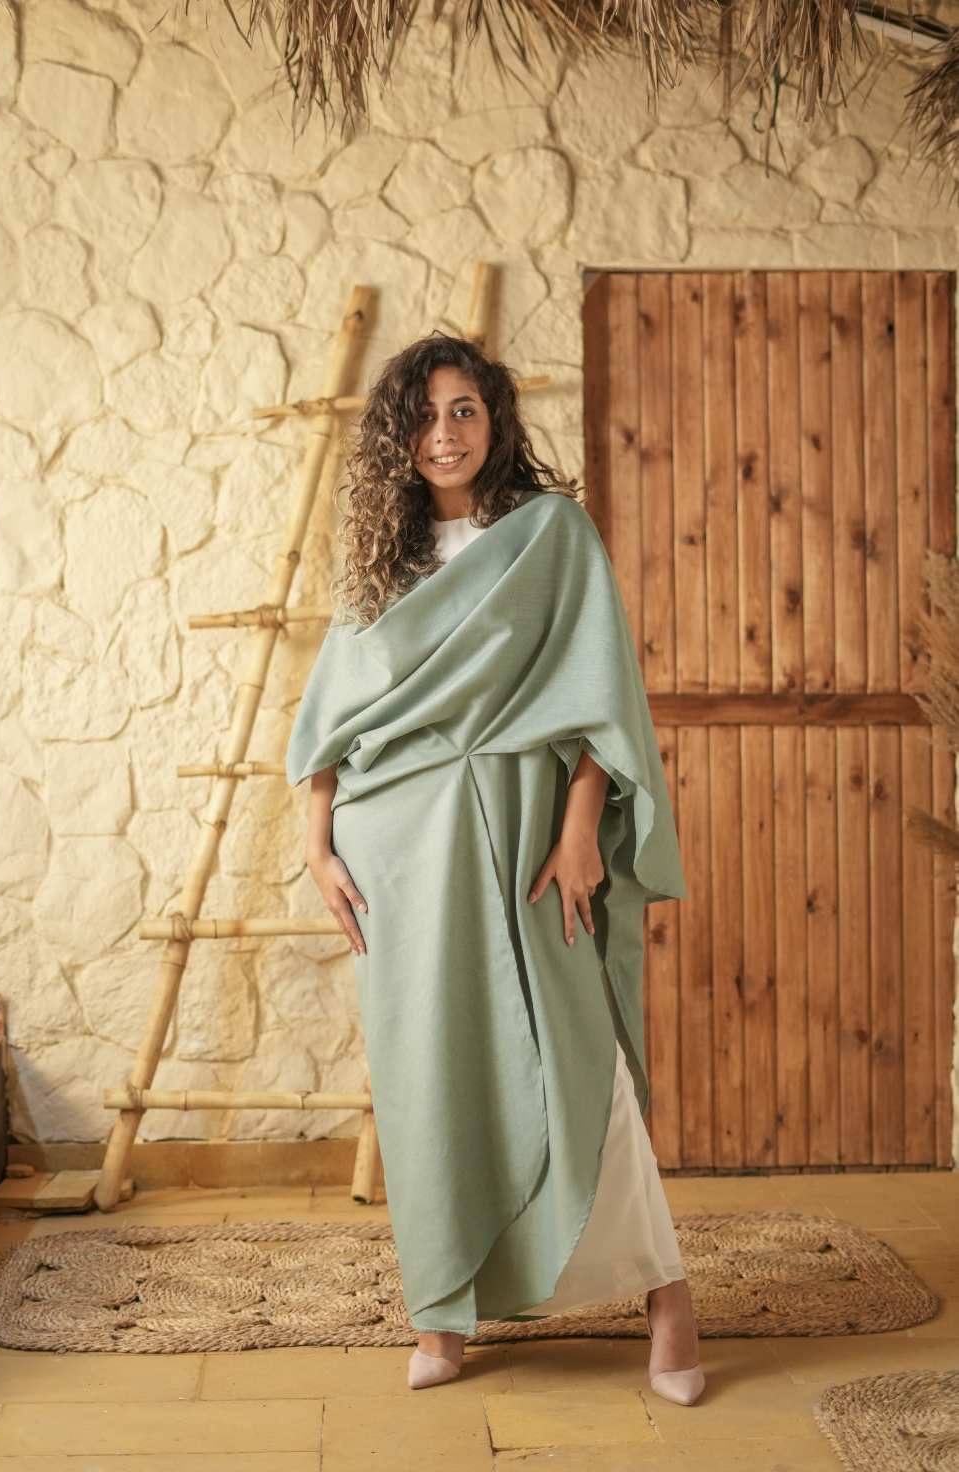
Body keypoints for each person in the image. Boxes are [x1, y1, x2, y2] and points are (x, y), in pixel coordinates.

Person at [286, 334, 704, 1405]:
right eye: (424, 416)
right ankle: (443, 1309)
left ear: (496, 419)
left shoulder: (551, 534)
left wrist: (580, 831)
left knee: (579, 1059)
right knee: (428, 1066)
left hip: (527, 835)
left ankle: (667, 1299)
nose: (445, 433)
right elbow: (331, 719)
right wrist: (318, 845)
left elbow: (600, 699)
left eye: (464, 409)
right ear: (398, 435)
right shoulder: (382, 561)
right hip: (399, 848)